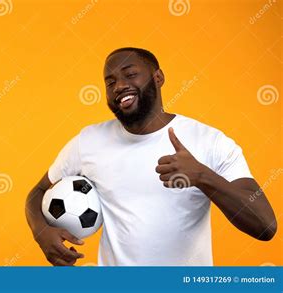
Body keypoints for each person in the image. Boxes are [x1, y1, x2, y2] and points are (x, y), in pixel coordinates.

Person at [25, 47, 277, 266]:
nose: (120, 86)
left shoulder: (210, 142)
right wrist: (41, 231)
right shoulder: (88, 141)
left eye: (131, 74)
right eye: (110, 82)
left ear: (158, 77)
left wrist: (203, 176)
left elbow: (265, 226)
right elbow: (37, 193)